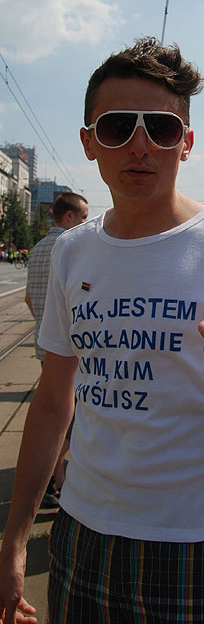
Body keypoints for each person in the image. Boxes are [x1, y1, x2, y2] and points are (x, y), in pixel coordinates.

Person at [0, 38, 204, 624]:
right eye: (117, 127)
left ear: (185, 143)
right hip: (81, 531)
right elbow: (54, 398)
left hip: (194, 541)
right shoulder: (71, 251)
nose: (140, 146)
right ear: (89, 141)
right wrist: (14, 540)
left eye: (161, 128)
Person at [25, 192, 89, 508]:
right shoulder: (72, 246)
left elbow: (28, 297)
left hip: (45, 341)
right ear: (68, 217)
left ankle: (55, 474)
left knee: (52, 407)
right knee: (70, 416)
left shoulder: (38, 248)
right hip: (69, 347)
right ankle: (53, 475)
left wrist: (44, 326)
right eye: (83, 217)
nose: (86, 222)